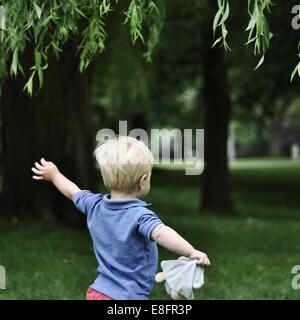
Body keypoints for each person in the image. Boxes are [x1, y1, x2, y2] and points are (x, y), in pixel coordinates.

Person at [31, 136, 210, 300]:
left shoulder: (94, 204)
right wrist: (191, 252)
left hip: (97, 293)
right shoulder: (140, 215)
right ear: (143, 180)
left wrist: (54, 175)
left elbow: (72, 192)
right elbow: (161, 233)